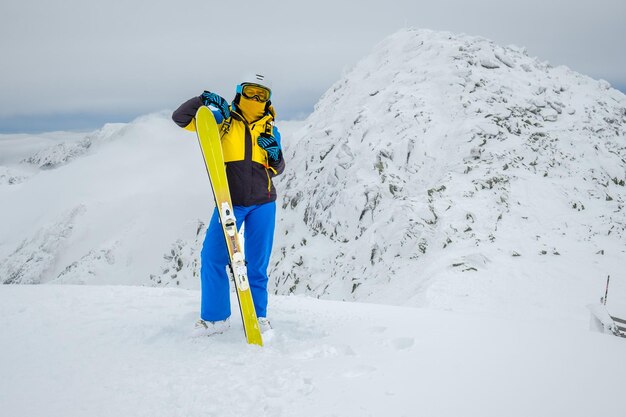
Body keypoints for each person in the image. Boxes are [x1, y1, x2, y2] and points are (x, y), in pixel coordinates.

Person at [172, 74, 285, 336]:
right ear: (239, 93)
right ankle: (215, 318)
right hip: (230, 202)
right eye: (251, 92)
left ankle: (259, 317)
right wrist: (201, 101)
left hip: (264, 203)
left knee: (257, 264)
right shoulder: (223, 121)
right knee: (212, 257)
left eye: (262, 95)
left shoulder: (270, 129)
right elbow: (181, 119)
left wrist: (276, 154)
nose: (256, 99)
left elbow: (277, 169)